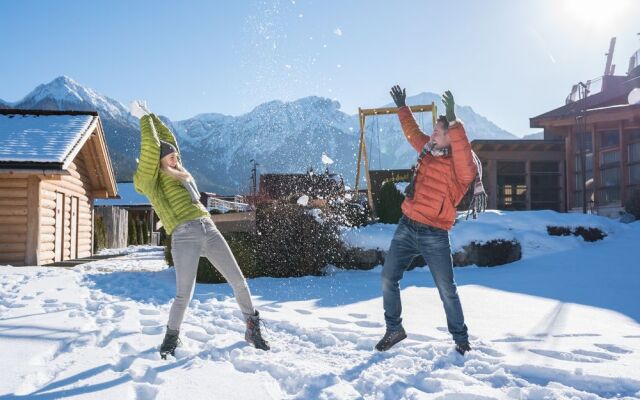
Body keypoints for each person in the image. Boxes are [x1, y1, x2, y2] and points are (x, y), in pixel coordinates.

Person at [129, 101, 270, 359]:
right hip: (184, 236)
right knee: (184, 294)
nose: (175, 157)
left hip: (209, 227)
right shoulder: (152, 181)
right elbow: (151, 148)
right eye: (169, 156)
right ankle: (170, 338)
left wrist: (153, 115)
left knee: (238, 280)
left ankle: (252, 328)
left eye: (176, 155)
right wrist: (144, 120)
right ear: (158, 162)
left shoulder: (181, 174)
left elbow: (168, 139)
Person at [375, 86, 483, 356]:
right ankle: (394, 329)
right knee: (388, 278)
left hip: (435, 234)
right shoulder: (427, 150)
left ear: (451, 138)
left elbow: (464, 154)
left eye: (438, 130)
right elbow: (412, 132)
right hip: (408, 225)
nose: (433, 133)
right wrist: (402, 107)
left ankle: (461, 339)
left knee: (447, 289)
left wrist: (454, 120)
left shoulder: (461, 169)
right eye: (434, 129)